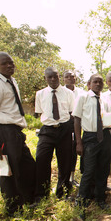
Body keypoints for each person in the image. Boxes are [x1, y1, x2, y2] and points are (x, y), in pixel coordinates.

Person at [0, 52, 36, 216]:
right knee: (9, 171)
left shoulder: (12, 81)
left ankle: (28, 200)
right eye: (5, 64)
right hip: (4, 132)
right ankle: (13, 209)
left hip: (16, 132)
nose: (9, 66)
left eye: (11, 63)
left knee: (28, 166)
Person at [73, 74, 111, 218]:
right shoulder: (83, 97)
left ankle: (100, 199)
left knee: (103, 169)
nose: (98, 84)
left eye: (100, 82)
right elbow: (77, 120)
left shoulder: (104, 99)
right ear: (89, 84)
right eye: (95, 82)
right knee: (88, 171)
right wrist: (79, 143)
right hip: (89, 137)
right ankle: (81, 204)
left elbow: (105, 118)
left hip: (104, 136)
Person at [34, 67, 75, 200]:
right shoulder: (40, 94)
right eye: (49, 77)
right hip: (47, 130)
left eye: (55, 76)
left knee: (65, 162)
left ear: (59, 77)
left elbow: (71, 113)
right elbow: (40, 111)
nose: (53, 79)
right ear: (45, 78)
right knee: (41, 160)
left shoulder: (68, 93)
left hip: (64, 129)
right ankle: (42, 194)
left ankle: (62, 192)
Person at [63, 70, 85, 188]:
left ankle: (73, 177)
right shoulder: (61, 92)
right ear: (63, 79)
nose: (70, 78)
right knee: (67, 151)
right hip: (65, 125)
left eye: (72, 76)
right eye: (67, 77)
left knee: (77, 149)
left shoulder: (81, 92)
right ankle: (65, 179)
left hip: (79, 125)